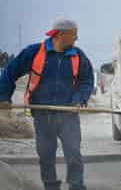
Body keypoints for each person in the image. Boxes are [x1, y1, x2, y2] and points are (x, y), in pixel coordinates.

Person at [0, 19, 94, 190]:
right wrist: (4, 97)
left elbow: (87, 80)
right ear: (60, 34)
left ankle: (76, 186)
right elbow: (9, 73)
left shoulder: (78, 56)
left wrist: (79, 99)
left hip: (68, 114)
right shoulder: (35, 52)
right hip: (42, 115)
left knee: (73, 153)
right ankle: (50, 186)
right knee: (45, 155)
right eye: (73, 34)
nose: (76, 38)